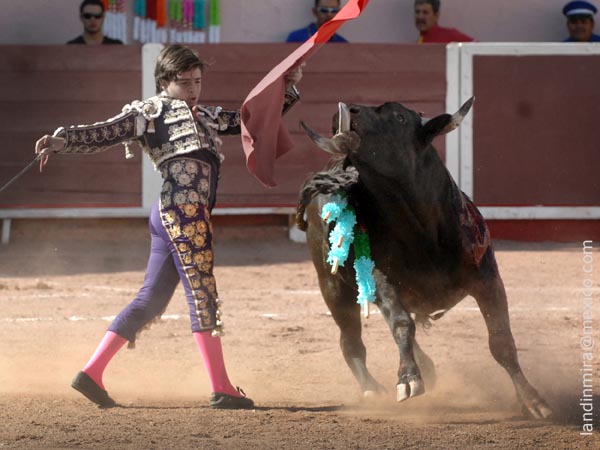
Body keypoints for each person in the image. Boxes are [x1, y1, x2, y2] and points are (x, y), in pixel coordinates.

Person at [35, 44, 302, 409]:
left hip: (175, 215)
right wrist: (62, 140)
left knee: (151, 300)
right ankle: (222, 387)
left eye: (197, 81)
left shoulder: (207, 116)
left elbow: (255, 120)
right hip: (183, 213)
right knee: (202, 293)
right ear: (164, 82)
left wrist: (287, 88)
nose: (193, 89)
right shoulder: (150, 112)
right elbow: (107, 131)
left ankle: (91, 373)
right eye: (184, 82)